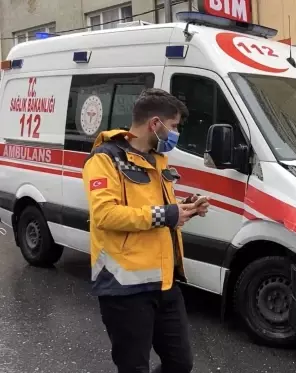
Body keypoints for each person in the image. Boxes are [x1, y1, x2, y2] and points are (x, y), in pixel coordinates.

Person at [82, 88, 208, 373]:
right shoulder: (104, 160)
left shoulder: (157, 159)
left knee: (180, 363)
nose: (176, 133)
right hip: (124, 286)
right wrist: (167, 214)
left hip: (165, 284)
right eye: (174, 126)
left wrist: (184, 207)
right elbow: (105, 214)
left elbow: (151, 209)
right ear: (155, 123)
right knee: (134, 367)